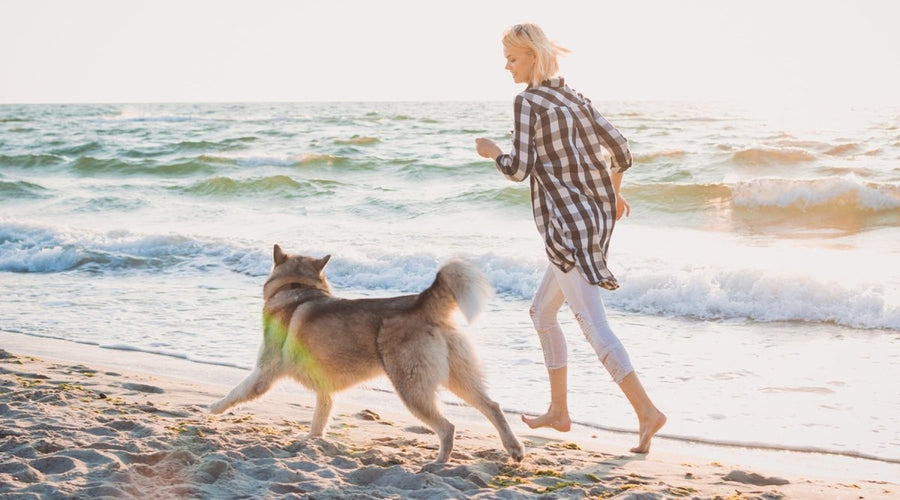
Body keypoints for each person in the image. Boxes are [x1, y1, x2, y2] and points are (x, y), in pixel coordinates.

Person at [475, 22, 666, 454]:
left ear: (533, 56)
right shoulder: (576, 97)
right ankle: (558, 412)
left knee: (593, 325)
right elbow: (621, 149)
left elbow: (517, 169)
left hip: (565, 226)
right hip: (593, 220)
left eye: (512, 58)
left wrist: (492, 152)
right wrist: (613, 196)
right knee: (541, 313)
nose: (507, 68)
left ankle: (647, 412)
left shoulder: (527, 103)